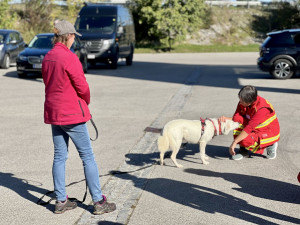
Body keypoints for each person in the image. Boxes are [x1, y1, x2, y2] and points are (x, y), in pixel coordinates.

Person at [42, 20, 116, 214]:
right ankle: (99, 202)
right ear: (67, 36)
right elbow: (83, 87)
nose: (74, 39)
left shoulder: (48, 56)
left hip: (54, 113)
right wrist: (86, 101)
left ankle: (60, 200)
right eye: (73, 35)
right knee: (87, 156)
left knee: (59, 156)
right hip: (71, 114)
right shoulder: (69, 57)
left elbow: (48, 82)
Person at [219, 85, 280, 161]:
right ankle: (243, 149)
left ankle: (270, 144)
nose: (240, 102)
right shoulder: (244, 101)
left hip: (268, 131)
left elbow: (249, 128)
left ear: (250, 102)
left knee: (245, 139)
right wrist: (227, 119)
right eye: (240, 99)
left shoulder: (261, 108)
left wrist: (234, 142)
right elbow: (236, 116)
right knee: (237, 121)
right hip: (254, 126)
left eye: (242, 101)